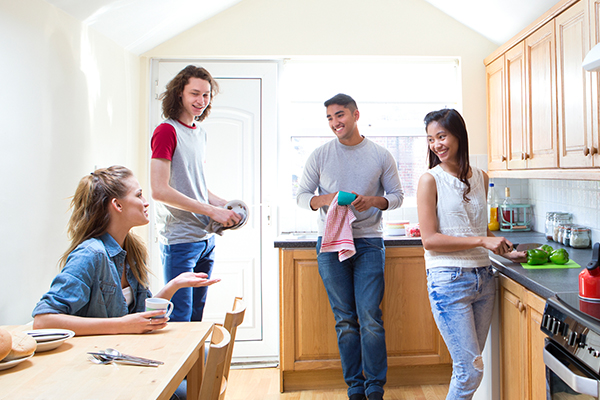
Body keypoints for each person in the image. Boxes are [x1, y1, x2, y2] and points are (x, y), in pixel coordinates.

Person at [296, 93, 404, 400]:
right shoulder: (320, 155)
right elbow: (302, 196)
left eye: (340, 115)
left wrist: (373, 201)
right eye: (329, 118)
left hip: (369, 242)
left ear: (356, 115)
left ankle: (375, 388)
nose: (334, 123)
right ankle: (355, 388)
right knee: (344, 319)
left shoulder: (380, 155)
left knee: (370, 316)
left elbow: (397, 197)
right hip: (330, 244)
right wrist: (326, 199)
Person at [416, 109, 526, 400]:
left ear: (458, 136)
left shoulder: (481, 176)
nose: (436, 144)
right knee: (470, 370)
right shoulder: (430, 180)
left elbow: (475, 228)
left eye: (442, 136)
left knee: (470, 366)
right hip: (448, 281)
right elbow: (430, 239)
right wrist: (482, 241)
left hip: (483, 280)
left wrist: (506, 252)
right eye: (431, 139)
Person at [33, 166, 220, 335]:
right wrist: (121, 325)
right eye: (139, 195)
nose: (146, 202)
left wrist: (174, 285)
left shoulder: (131, 250)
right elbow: (43, 322)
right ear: (118, 205)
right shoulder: (90, 254)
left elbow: (139, 318)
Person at [150, 65, 241, 322]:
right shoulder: (166, 131)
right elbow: (160, 190)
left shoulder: (199, 133)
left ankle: (199, 364)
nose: (201, 101)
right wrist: (213, 211)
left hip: (205, 239)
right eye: (194, 94)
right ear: (180, 93)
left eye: (206, 95)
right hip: (180, 240)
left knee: (196, 316)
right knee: (180, 318)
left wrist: (224, 204)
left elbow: (193, 184)